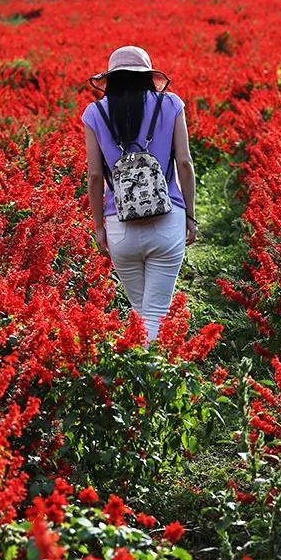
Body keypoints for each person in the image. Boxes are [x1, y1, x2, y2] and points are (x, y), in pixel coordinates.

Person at [82, 45, 198, 343]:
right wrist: (191, 216)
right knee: (156, 312)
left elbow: (95, 177)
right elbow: (184, 162)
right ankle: (150, 379)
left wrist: (98, 227)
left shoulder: (95, 112)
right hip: (167, 219)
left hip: (120, 225)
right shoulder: (171, 105)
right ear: (148, 76)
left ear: (112, 79)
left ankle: (135, 374)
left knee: (139, 311)